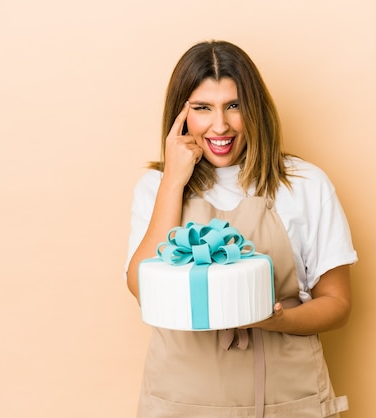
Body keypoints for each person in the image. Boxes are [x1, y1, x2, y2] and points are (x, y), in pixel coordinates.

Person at [125, 40, 357, 418]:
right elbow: (143, 288)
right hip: (179, 403)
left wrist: (275, 319)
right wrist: (172, 182)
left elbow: (338, 304)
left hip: (287, 400)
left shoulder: (305, 184)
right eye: (202, 108)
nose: (220, 125)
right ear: (180, 116)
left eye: (234, 106)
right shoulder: (156, 187)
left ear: (255, 109)